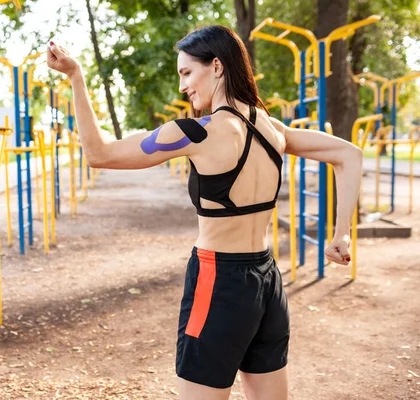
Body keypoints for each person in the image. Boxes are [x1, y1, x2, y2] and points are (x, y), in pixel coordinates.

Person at [47, 24, 362, 400]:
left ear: (216, 66)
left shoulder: (197, 132)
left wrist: (76, 76)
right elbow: (349, 154)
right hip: (266, 280)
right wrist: (341, 233)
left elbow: (99, 154)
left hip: (219, 279)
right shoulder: (272, 128)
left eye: (186, 72)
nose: (183, 86)